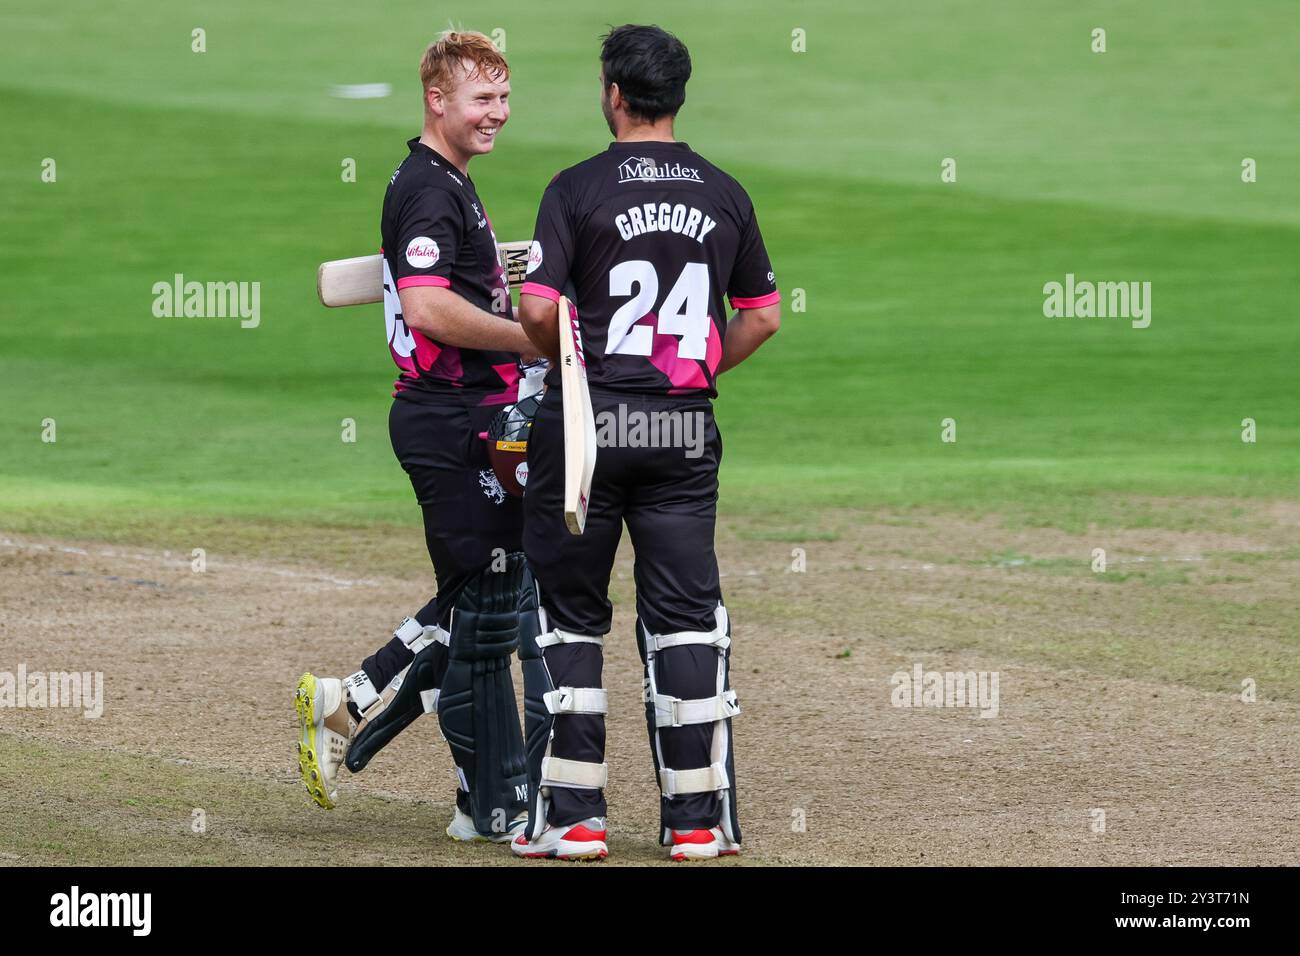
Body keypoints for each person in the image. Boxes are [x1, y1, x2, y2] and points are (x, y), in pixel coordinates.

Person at [513, 24, 781, 861]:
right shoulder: (726, 193)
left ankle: (574, 819)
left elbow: (536, 310)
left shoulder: (576, 188)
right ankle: (698, 823)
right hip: (680, 427)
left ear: (615, 93)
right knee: (686, 621)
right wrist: (690, 377)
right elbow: (762, 316)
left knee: (571, 617)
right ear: (678, 94)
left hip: (588, 428)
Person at [294, 31, 540, 844]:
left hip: (461, 411)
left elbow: (445, 287)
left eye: (503, 98)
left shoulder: (446, 181)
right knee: (489, 598)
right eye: (482, 98)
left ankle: (362, 708)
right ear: (437, 99)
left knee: (488, 594)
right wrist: (531, 339)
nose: (497, 112)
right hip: (449, 416)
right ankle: (474, 793)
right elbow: (431, 310)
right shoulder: (429, 190)